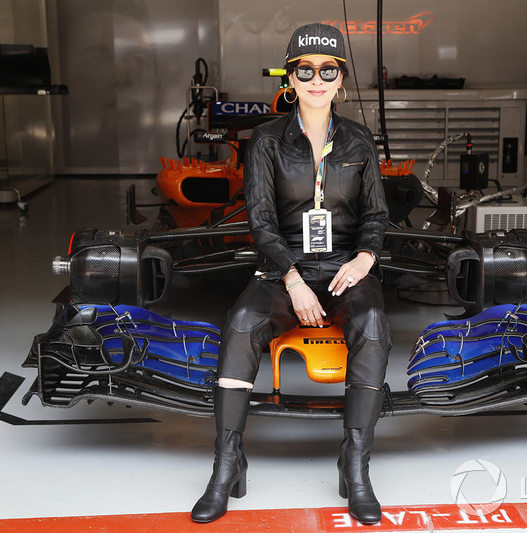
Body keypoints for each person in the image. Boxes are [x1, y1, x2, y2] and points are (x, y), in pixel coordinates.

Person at [191, 23, 391, 525]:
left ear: (340, 79)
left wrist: (365, 258)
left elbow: (376, 214)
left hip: (346, 265)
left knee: (372, 325)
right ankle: (226, 463)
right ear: (291, 78)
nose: (317, 79)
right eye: (305, 70)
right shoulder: (265, 140)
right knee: (240, 324)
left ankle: (356, 464)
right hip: (282, 269)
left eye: (328, 70)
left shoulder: (360, 140)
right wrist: (293, 279)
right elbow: (259, 219)